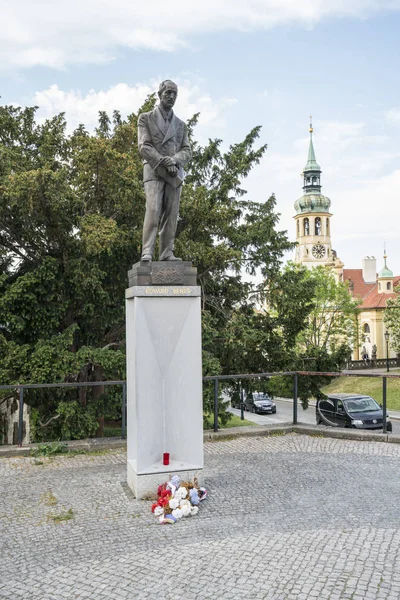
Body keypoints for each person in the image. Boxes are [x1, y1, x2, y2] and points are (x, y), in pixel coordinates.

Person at [138, 80, 192, 261]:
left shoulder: (181, 125)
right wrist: (163, 161)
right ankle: (147, 251)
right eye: (168, 93)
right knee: (153, 209)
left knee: (172, 214)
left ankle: (167, 253)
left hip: (174, 174)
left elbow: (187, 150)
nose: (171, 97)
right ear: (159, 94)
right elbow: (144, 147)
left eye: (174, 94)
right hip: (154, 170)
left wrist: (174, 160)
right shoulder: (146, 118)